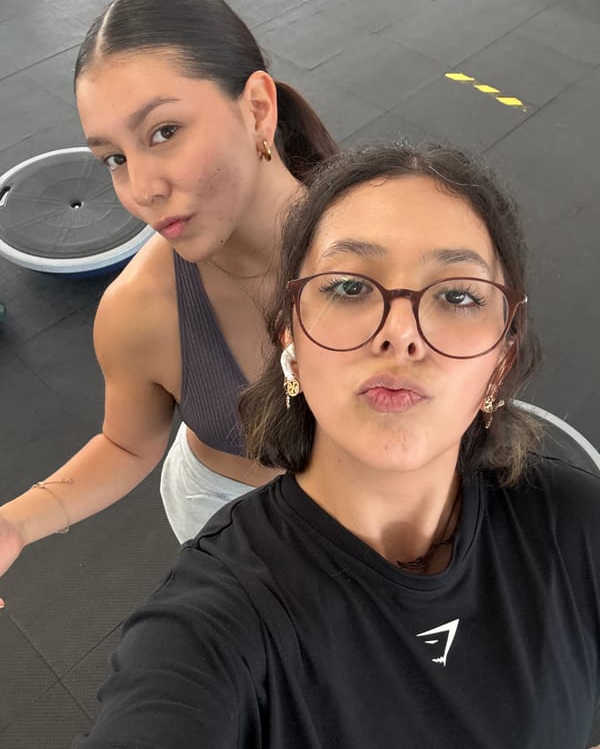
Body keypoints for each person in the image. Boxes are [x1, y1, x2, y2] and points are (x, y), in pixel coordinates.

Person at [74, 143, 600, 748]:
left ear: (501, 357)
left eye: (458, 295)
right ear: (289, 333)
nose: (400, 333)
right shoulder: (215, 623)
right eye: (350, 287)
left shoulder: (575, 523)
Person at [0, 0, 337, 603]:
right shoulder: (139, 310)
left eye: (163, 132)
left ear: (257, 108)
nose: (140, 191)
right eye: (113, 158)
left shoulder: (392, 241)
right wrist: (14, 522)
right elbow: (127, 442)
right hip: (229, 514)